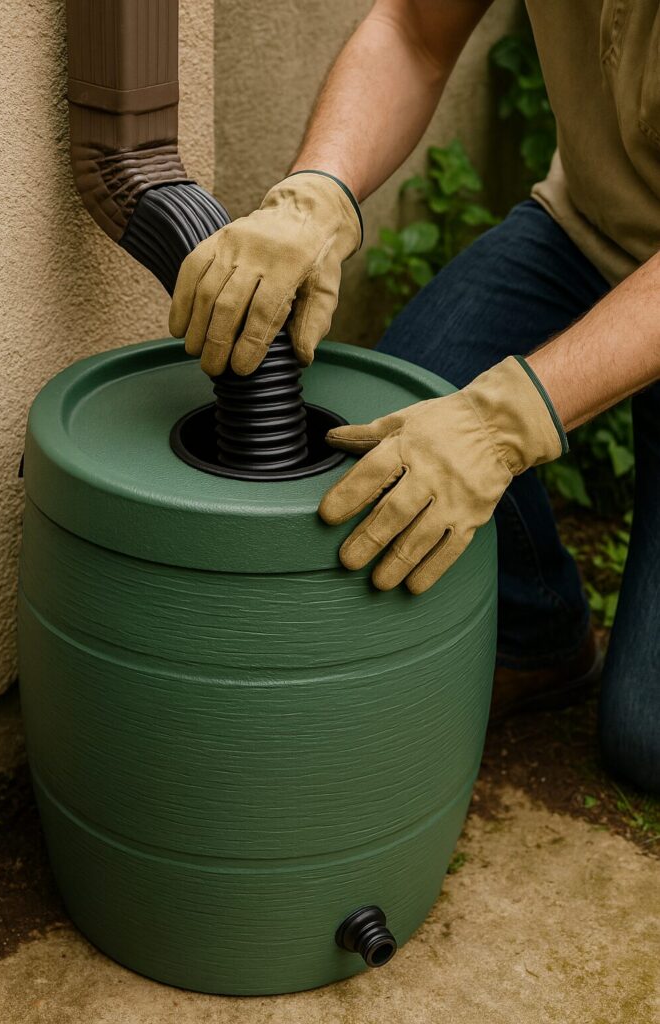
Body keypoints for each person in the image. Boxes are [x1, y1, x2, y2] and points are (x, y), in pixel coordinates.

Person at [168, 0, 660, 793]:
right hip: (590, 233)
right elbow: (411, 32)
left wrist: (507, 419)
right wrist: (317, 194)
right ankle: (538, 632)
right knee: (393, 421)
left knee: (647, 734)